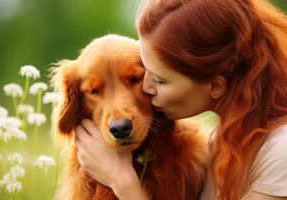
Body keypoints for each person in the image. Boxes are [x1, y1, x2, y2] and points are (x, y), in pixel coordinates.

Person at [74, 0, 287, 199]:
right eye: (144, 72)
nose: (146, 88)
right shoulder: (226, 132)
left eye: (159, 80)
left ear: (215, 86)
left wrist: (122, 181)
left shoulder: (280, 152)